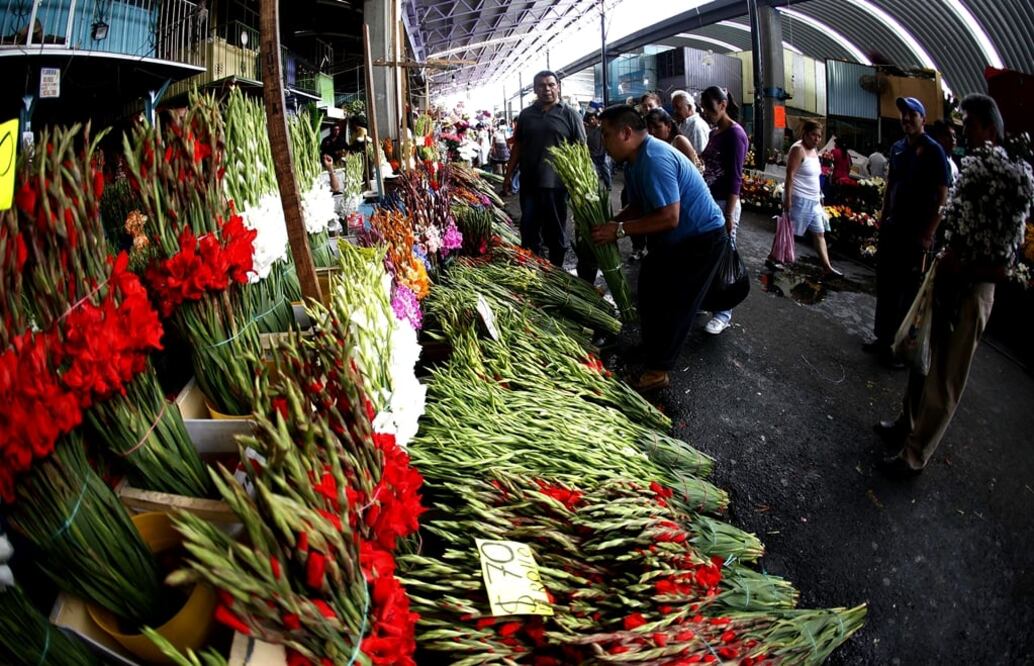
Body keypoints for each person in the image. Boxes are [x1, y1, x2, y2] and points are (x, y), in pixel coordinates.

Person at [874, 94, 1034, 478]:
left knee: (945, 375)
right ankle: (905, 422)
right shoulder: (975, 168)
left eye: (972, 125)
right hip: (949, 276)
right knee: (921, 353)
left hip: (973, 288)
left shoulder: (1012, 181)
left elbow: (1005, 266)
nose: (965, 134)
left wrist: (963, 264)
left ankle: (914, 455)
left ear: (991, 128)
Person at [591, 105, 727, 391]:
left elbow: (669, 216)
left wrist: (619, 230)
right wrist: (612, 222)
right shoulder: (635, 161)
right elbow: (640, 204)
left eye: (606, 134)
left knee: (676, 304)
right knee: (651, 287)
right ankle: (652, 348)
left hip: (701, 237)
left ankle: (658, 371)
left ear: (626, 133)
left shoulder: (654, 158)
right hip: (676, 237)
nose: (602, 141)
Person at [864, 96, 951, 364]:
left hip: (916, 234)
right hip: (894, 228)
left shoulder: (934, 151)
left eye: (912, 114)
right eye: (903, 114)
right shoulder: (898, 147)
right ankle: (883, 338)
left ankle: (900, 349)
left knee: (907, 292)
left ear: (922, 119)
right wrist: (883, 216)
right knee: (887, 285)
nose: (906, 118)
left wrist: (929, 233)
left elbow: (942, 197)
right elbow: (890, 185)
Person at [504, 71, 586, 265]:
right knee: (529, 230)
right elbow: (518, 146)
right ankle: (535, 270)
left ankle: (556, 272)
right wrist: (508, 176)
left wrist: (581, 185)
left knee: (555, 232)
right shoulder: (526, 115)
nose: (546, 89)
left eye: (550, 84)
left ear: (558, 86)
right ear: (535, 89)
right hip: (529, 184)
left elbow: (582, 150)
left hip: (557, 186)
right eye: (541, 85)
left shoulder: (570, 114)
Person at [698, 86, 749, 336]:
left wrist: (729, 214)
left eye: (710, 108)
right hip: (709, 200)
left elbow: (736, 178)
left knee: (724, 257)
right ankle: (707, 300)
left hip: (724, 204)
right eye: (704, 108)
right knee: (708, 255)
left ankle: (723, 314)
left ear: (723, 104)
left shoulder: (735, 134)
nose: (706, 113)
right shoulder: (715, 132)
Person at [771, 120, 841, 276]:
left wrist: (819, 197)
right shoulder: (798, 149)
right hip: (799, 198)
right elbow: (790, 176)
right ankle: (774, 257)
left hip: (814, 200)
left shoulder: (815, 151)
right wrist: (787, 200)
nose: (816, 139)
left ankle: (827, 266)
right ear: (805, 134)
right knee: (788, 231)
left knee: (819, 233)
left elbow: (815, 176)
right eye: (814, 135)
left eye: (819, 136)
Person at [671, 90, 711, 155]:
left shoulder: (696, 126)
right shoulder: (684, 123)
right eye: (673, 108)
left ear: (689, 107)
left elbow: (698, 155)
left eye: (678, 108)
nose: (675, 111)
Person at [584, 110, 612, 190]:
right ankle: (595, 188)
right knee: (593, 172)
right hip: (591, 154)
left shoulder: (601, 129)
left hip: (602, 153)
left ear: (597, 119)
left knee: (605, 170)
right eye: (590, 119)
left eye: (593, 119)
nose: (591, 121)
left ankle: (608, 185)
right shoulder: (587, 129)